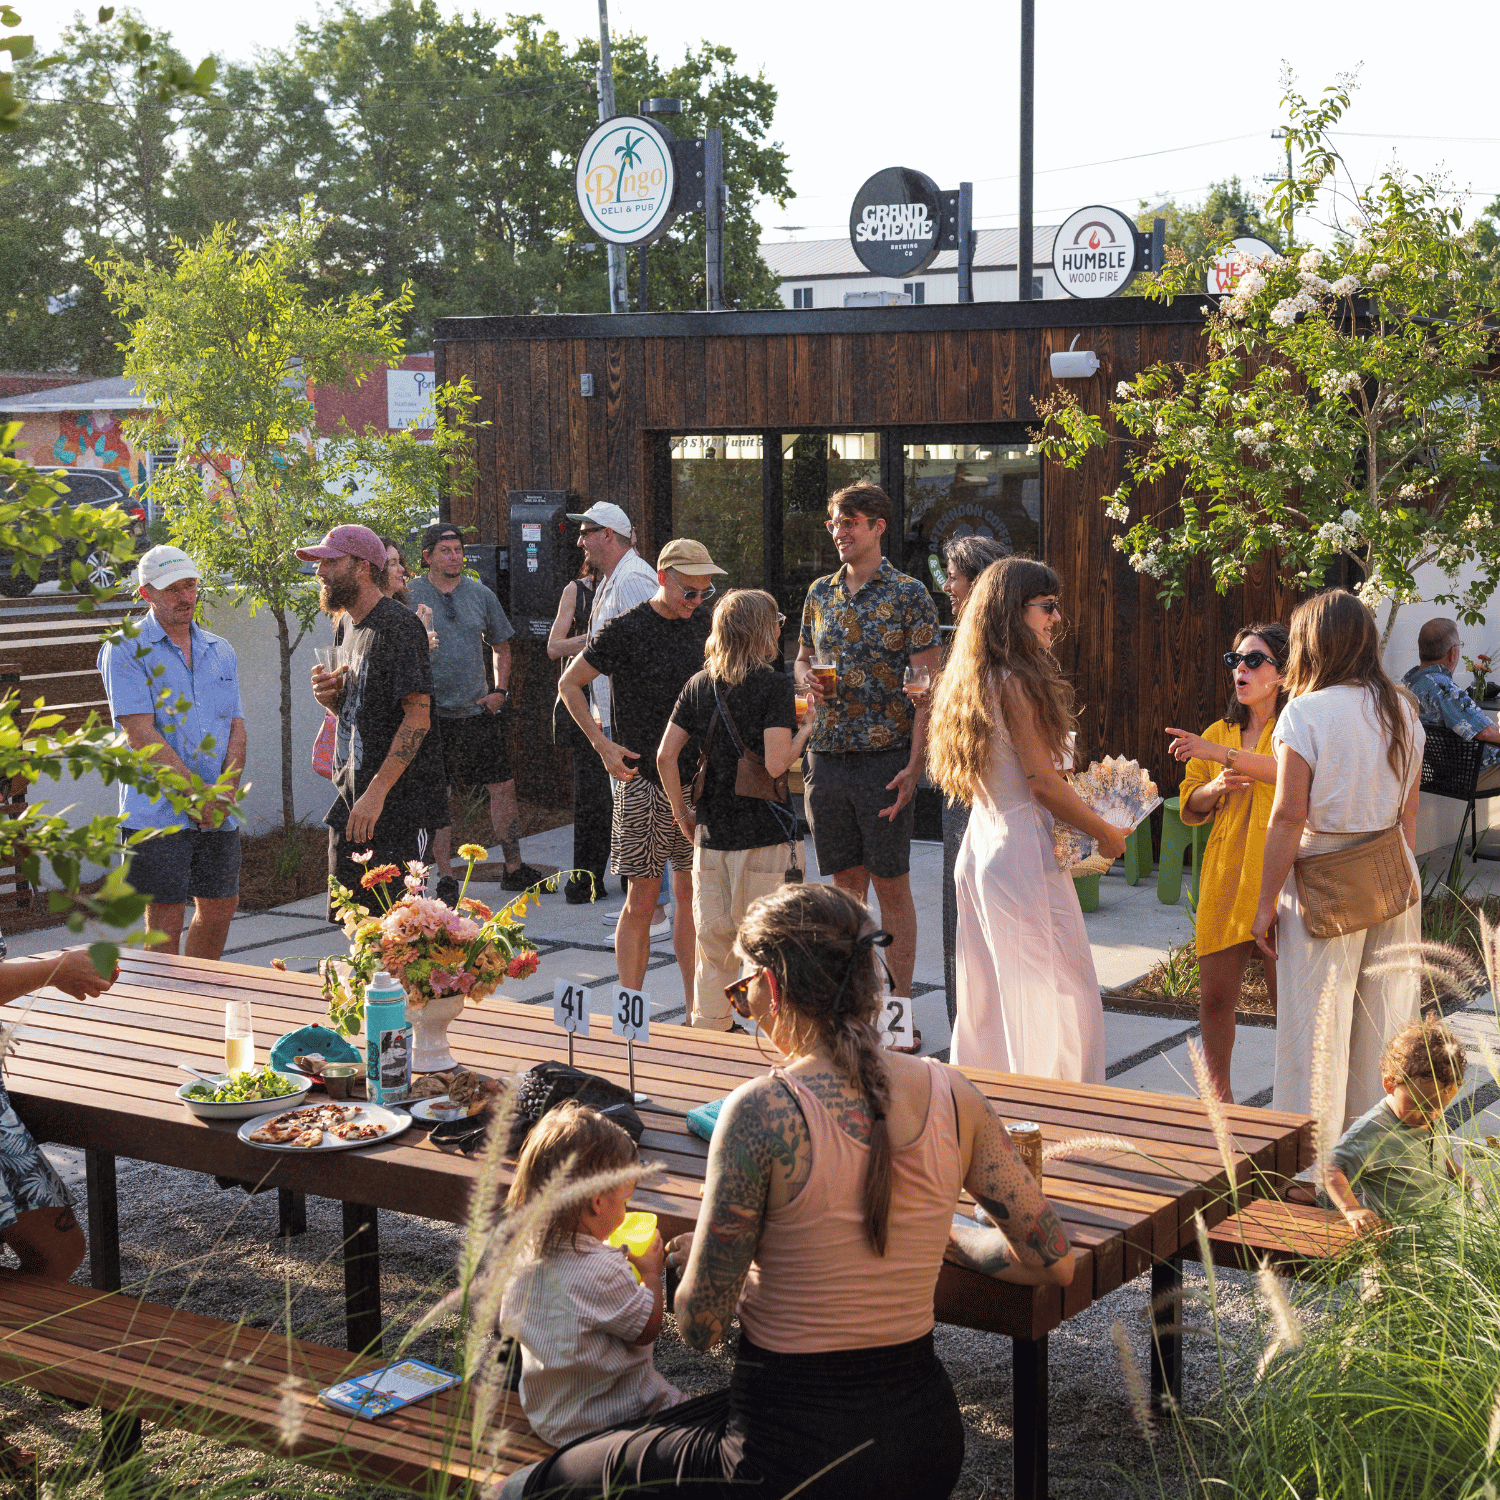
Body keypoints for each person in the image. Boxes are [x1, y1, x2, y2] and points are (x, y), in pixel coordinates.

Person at [502, 883, 1073, 1500]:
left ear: (772, 988)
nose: (746, 1007)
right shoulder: (954, 1095)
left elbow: (700, 1326)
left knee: (532, 1488)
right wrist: (935, 1232)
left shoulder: (760, 1113)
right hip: (924, 1442)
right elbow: (1052, 1260)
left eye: (742, 991)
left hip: (787, 1456)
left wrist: (729, 1254)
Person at [927, 559, 1126, 1083]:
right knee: (1057, 994)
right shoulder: (1014, 681)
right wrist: (1107, 833)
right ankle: (1054, 1119)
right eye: (1048, 607)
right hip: (1020, 849)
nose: (1057, 619)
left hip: (985, 843)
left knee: (992, 1002)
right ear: (1013, 613)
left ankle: (993, 1114)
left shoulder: (973, 677)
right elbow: (1041, 782)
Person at [1252, 588, 1425, 1144]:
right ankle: (1374, 1153)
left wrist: (1263, 905)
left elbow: (1286, 818)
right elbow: (1411, 814)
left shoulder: (1304, 713)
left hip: (1322, 873)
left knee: (1314, 1028)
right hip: (1390, 868)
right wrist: (1397, 881)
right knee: (1386, 1021)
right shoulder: (1403, 708)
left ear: (1310, 645)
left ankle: (1309, 1161)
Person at [558, 540, 722, 1010]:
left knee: (692, 898)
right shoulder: (626, 629)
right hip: (644, 779)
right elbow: (569, 683)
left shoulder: (707, 626)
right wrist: (602, 745)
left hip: (697, 780)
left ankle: (698, 1012)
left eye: (704, 594)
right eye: (689, 592)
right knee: (643, 900)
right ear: (664, 577)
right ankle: (630, 1010)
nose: (696, 602)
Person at [794, 483, 941, 1006]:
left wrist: (915, 765)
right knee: (843, 887)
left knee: (892, 884)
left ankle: (898, 1007)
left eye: (848, 522)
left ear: (878, 527)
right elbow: (803, 657)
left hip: (885, 759)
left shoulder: (910, 594)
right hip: (827, 757)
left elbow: (929, 689)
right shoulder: (819, 592)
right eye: (834, 522)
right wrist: (805, 677)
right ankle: (854, 1005)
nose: (838, 531)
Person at [657, 589, 814, 1031]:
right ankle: (770, 1047)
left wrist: (683, 813)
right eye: (775, 619)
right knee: (770, 953)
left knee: (715, 949)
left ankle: (712, 1041)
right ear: (760, 631)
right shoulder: (773, 685)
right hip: (766, 837)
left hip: (710, 836)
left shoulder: (699, 684)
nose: (781, 627)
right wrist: (807, 729)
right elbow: (776, 762)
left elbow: (665, 756)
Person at [498, 1101, 682, 1447]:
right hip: (613, 1421)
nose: (627, 1209)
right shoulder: (603, 1270)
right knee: (695, 1421)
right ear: (597, 1202)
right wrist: (651, 1276)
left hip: (551, 1418)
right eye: (624, 1200)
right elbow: (647, 1329)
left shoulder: (521, 1253)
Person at [97, 544, 246, 960]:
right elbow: (140, 734)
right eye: (172, 589)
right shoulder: (125, 648)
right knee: (164, 922)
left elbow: (236, 725)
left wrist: (227, 788)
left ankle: (198, 995)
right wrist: (196, 795)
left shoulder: (221, 649)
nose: (185, 596)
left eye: (191, 585)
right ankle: (166, 1012)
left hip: (218, 805)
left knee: (220, 907)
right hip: (156, 811)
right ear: (146, 593)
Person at [1164, 623, 1288, 1102]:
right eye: (1234, 660)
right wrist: (1212, 788)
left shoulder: (1293, 730)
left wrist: (1222, 758)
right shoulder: (1218, 732)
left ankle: (1294, 1105)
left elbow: (1291, 778)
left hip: (1280, 878)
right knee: (1215, 999)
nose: (1240, 668)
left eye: (1254, 660)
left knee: (1288, 1006)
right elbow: (1190, 804)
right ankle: (1220, 1105)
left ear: (1282, 673)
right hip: (1226, 874)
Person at [301, 525, 449, 914]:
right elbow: (362, 712)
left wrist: (376, 794)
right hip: (353, 799)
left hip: (397, 805)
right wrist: (330, 700)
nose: (320, 572)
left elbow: (418, 719)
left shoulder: (399, 626)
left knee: (402, 933)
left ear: (362, 567)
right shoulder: (346, 624)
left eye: (330, 562)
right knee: (356, 926)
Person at [407, 523, 543, 901]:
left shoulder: (480, 594)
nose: (455, 557)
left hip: (476, 712)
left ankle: (514, 868)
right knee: (440, 796)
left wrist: (500, 691)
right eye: (446, 551)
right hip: (431, 717)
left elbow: (502, 645)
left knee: (502, 787)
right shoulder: (409, 594)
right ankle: (446, 878)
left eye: (458, 550)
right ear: (427, 556)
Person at [569, 501, 665, 929]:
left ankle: (654, 912)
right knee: (630, 813)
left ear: (608, 534)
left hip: (633, 720)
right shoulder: (615, 578)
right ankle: (644, 909)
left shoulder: (633, 579)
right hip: (613, 715)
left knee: (644, 815)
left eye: (586, 531)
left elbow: (653, 649)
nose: (580, 540)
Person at [938, 536, 1009, 1036]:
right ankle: (968, 1021)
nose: (947, 586)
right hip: (966, 792)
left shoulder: (997, 651)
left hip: (993, 800)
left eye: (954, 577)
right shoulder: (970, 642)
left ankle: (983, 1025)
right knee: (961, 914)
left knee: (980, 919)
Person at [1323, 1020, 1468, 1236]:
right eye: (1422, 1106)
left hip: (1433, 1233)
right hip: (1395, 1239)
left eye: (1442, 1107)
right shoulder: (1373, 1131)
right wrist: (1352, 1209)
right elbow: (1332, 1170)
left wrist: (1462, 1178)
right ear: (1390, 1084)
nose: (1433, 1116)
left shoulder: (1429, 1115)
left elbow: (1437, 1152)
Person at [547, 558, 609, 905]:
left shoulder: (629, 585)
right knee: (590, 796)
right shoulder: (576, 591)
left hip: (621, 699)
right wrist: (593, 640)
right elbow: (554, 647)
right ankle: (587, 880)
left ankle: (635, 878)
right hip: (584, 700)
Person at [1402, 617, 1500, 790]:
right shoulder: (1442, 688)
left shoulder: (1406, 686)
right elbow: (1486, 734)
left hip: (1441, 773)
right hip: (1473, 775)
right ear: (1453, 653)